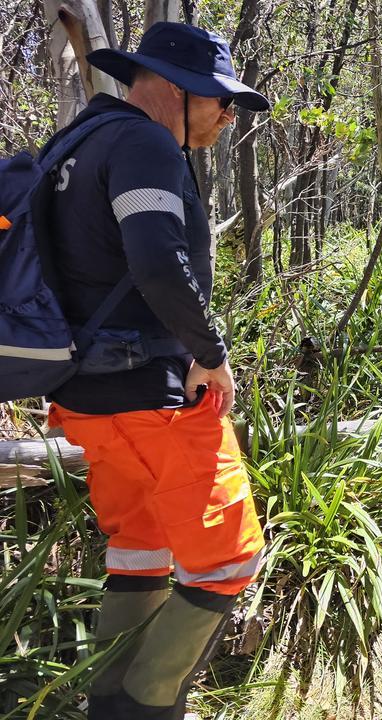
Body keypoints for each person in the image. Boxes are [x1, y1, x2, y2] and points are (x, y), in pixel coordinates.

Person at [41, 22, 269, 719]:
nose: (227, 117)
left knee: (139, 547)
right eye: (221, 102)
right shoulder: (144, 141)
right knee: (231, 557)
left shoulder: (73, 143)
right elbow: (156, 260)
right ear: (178, 88)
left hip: (85, 395)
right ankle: (147, 705)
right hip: (152, 394)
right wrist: (211, 352)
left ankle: (106, 696)